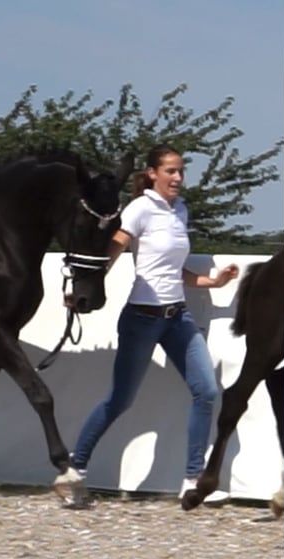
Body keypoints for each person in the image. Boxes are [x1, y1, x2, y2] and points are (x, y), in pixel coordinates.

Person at [69, 143, 240, 502]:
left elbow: (175, 270)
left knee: (206, 391)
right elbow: (112, 251)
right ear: (152, 173)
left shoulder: (180, 210)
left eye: (181, 171)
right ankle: (75, 468)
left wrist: (214, 282)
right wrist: (83, 290)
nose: (178, 178)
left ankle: (193, 481)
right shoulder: (140, 209)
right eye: (171, 171)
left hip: (177, 316)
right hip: (141, 319)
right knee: (120, 401)